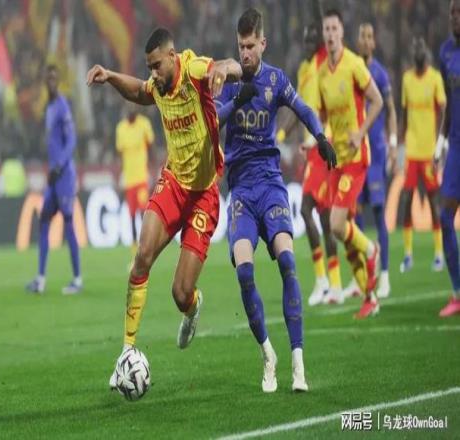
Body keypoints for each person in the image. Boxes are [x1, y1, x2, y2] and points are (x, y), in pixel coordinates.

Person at [86, 28, 242, 390]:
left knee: (180, 293)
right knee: (142, 256)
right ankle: (126, 351)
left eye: (157, 65)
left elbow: (230, 66)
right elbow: (139, 92)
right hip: (173, 183)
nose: (153, 73)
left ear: (172, 56)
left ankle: (193, 305)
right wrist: (110, 76)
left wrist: (223, 69)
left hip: (203, 194)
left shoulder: (194, 70)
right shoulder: (157, 86)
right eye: (149, 67)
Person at [216, 8, 336, 393]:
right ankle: (268, 355)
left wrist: (320, 137)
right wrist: (236, 101)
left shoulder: (276, 79)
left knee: (287, 262)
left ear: (263, 44)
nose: (245, 53)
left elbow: (303, 108)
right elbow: (212, 121)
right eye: (241, 46)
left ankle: (298, 363)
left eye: (251, 46)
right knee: (244, 273)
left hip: (270, 184)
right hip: (241, 190)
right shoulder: (229, 82)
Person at [318, 9, 383, 317]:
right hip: (337, 161)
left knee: (336, 224)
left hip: (356, 158)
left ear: (342, 33)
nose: (330, 34)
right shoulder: (322, 74)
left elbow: (378, 100)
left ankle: (372, 249)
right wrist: (319, 140)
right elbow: (324, 117)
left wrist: (361, 131)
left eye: (334, 28)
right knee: (343, 235)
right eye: (327, 29)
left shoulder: (354, 64)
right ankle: (370, 297)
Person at [343, 23, 398, 300]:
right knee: (355, 216)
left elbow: (390, 110)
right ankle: (362, 277)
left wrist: (393, 143)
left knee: (378, 214)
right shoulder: (352, 70)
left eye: (369, 36)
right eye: (362, 36)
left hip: (375, 153)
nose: (365, 40)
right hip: (356, 154)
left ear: (374, 43)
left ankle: (384, 275)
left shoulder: (380, 74)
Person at [26, 65, 81, 295]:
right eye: (48, 78)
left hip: (64, 175)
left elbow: (72, 140)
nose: (51, 82)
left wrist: (59, 165)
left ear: (57, 82)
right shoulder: (48, 107)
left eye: (54, 78)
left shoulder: (62, 105)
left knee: (68, 224)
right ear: (44, 82)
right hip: (53, 176)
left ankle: (77, 280)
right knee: (43, 221)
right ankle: (40, 280)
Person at [297, 24, 342, 306]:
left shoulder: (325, 61)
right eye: (304, 40)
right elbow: (300, 107)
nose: (307, 44)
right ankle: (330, 283)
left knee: (311, 211)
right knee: (320, 216)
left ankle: (328, 282)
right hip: (312, 147)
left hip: (325, 145)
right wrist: (281, 135)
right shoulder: (304, 69)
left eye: (311, 40)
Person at [399, 36, 446, 273]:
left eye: (421, 50)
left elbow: (444, 110)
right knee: (407, 200)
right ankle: (408, 254)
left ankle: (439, 253)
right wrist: (400, 143)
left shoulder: (435, 78)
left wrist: (440, 143)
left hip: (428, 152)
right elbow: (404, 114)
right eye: (415, 50)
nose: (418, 54)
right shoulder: (407, 79)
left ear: (426, 53)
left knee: (434, 201)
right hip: (411, 151)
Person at [436, 0, 460, 317]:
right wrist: (441, 140)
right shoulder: (445, 52)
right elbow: (450, 103)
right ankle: (457, 293)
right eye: (453, 12)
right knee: (444, 217)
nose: (455, 17)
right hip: (455, 145)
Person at [115, 105, 154, 257]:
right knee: (131, 215)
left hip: (141, 178)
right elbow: (120, 154)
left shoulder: (144, 124)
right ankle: (134, 250)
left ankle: (146, 245)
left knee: (143, 213)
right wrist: (119, 176)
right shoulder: (121, 128)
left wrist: (154, 170)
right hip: (129, 180)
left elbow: (151, 148)